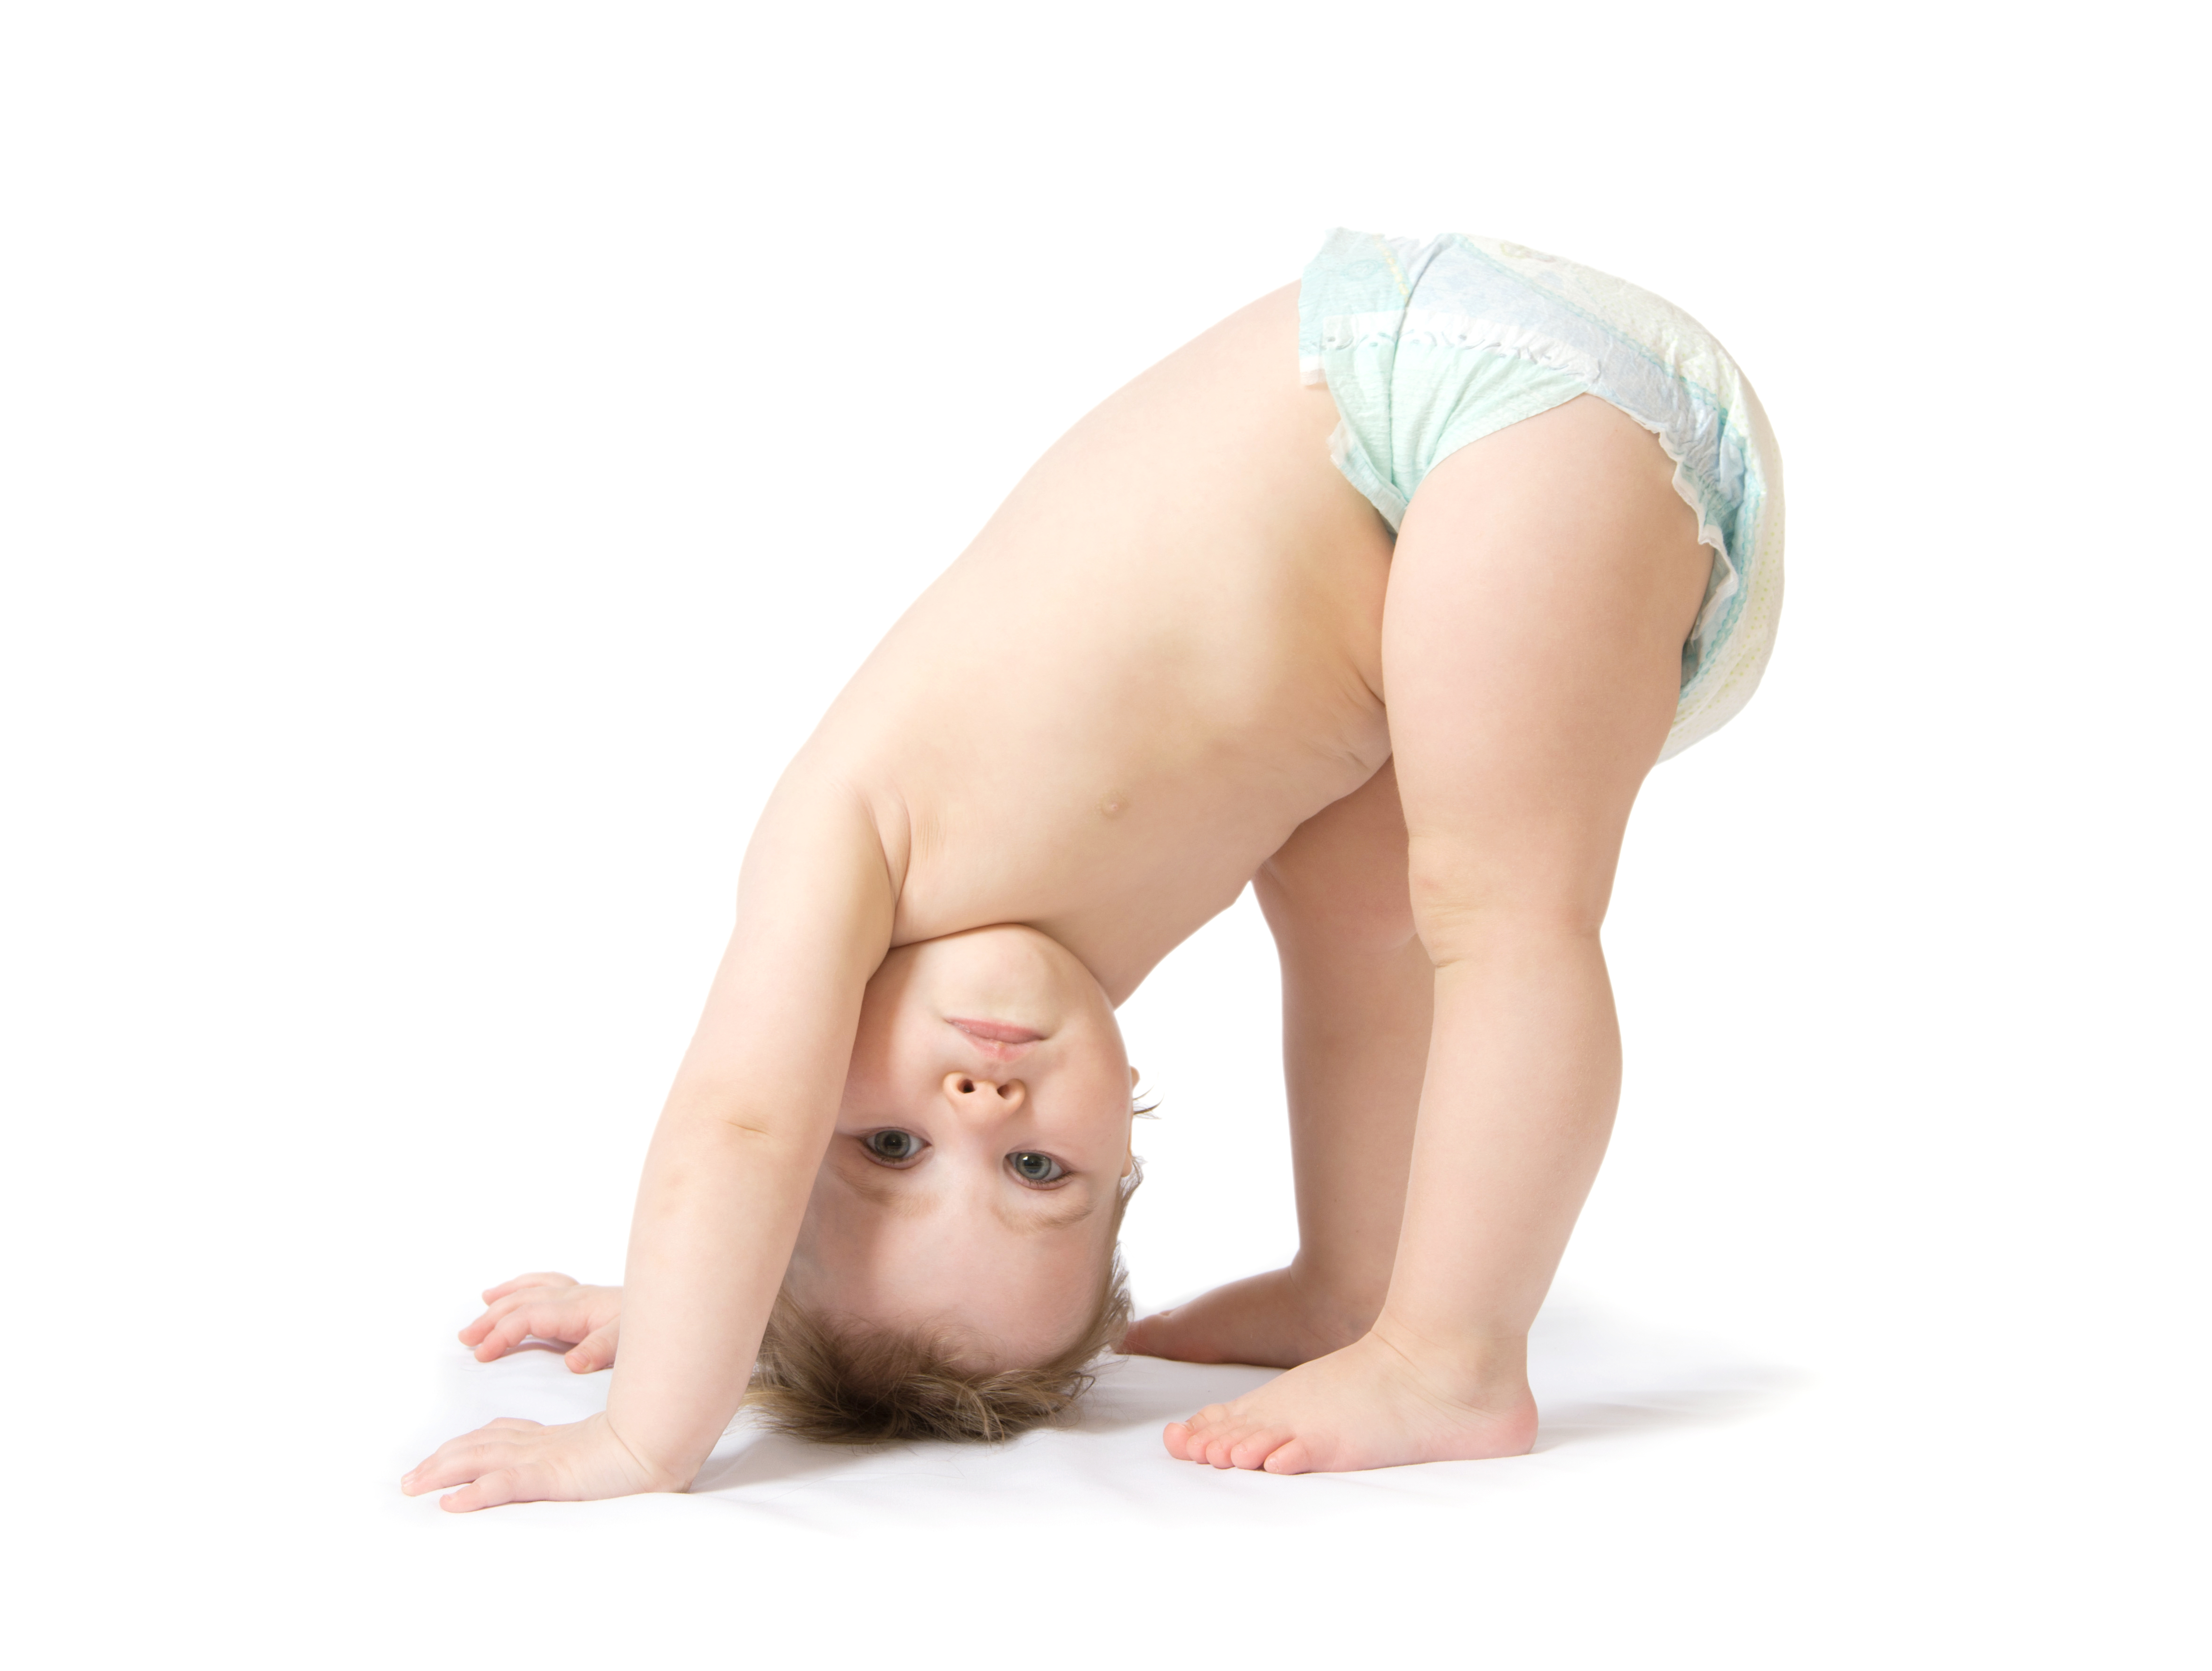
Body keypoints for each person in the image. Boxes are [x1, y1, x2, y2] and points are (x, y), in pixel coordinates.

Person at [401, 229, 1784, 1509]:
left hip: (1453, 394)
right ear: (1126, 1136)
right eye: (1038, 1169)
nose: (981, 1102)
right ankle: (1360, 1283)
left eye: (890, 1148)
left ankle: (1452, 1356)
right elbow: (776, 1175)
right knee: (1367, 911)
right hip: (1491, 516)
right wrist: (746, 1298)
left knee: (1494, 912)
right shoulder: (1021, 928)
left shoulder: (843, 841)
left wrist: (650, 1418)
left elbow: (739, 1130)